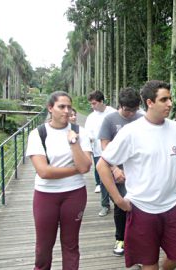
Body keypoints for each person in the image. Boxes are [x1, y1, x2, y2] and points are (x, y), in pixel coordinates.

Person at [97, 80, 176, 270]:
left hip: (173, 204)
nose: (170, 103)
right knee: (149, 261)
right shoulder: (131, 132)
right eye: (164, 99)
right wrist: (118, 200)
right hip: (142, 207)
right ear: (150, 102)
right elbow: (102, 165)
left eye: (170, 98)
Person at [26, 91, 92, 270]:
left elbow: (85, 167)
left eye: (69, 106)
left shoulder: (80, 132)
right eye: (61, 106)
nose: (66, 110)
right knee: (43, 247)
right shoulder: (38, 134)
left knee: (71, 245)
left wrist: (74, 143)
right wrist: (75, 169)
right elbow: (44, 172)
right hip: (45, 195)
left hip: (75, 194)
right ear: (50, 108)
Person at [98, 87, 143, 257]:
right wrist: (115, 168)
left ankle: (137, 239)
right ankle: (120, 238)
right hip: (117, 171)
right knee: (121, 204)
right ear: (120, 105)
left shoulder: (141, 118)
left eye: (134, 110)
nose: (131, 114)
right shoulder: (110, 120)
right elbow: (105, 146)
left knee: (139, 205)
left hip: (137, 171)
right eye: (127, 110)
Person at [84, 90, 116, 216]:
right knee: (103, 179)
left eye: (94, 103)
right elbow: (88, 134)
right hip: (98, 152)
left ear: (102, 101)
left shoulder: (113, 113)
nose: (92, 107)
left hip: (115, 152)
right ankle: (105, 205)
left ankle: (120, 202)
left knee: (118, 177)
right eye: (91, 104)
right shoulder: (91, 117)